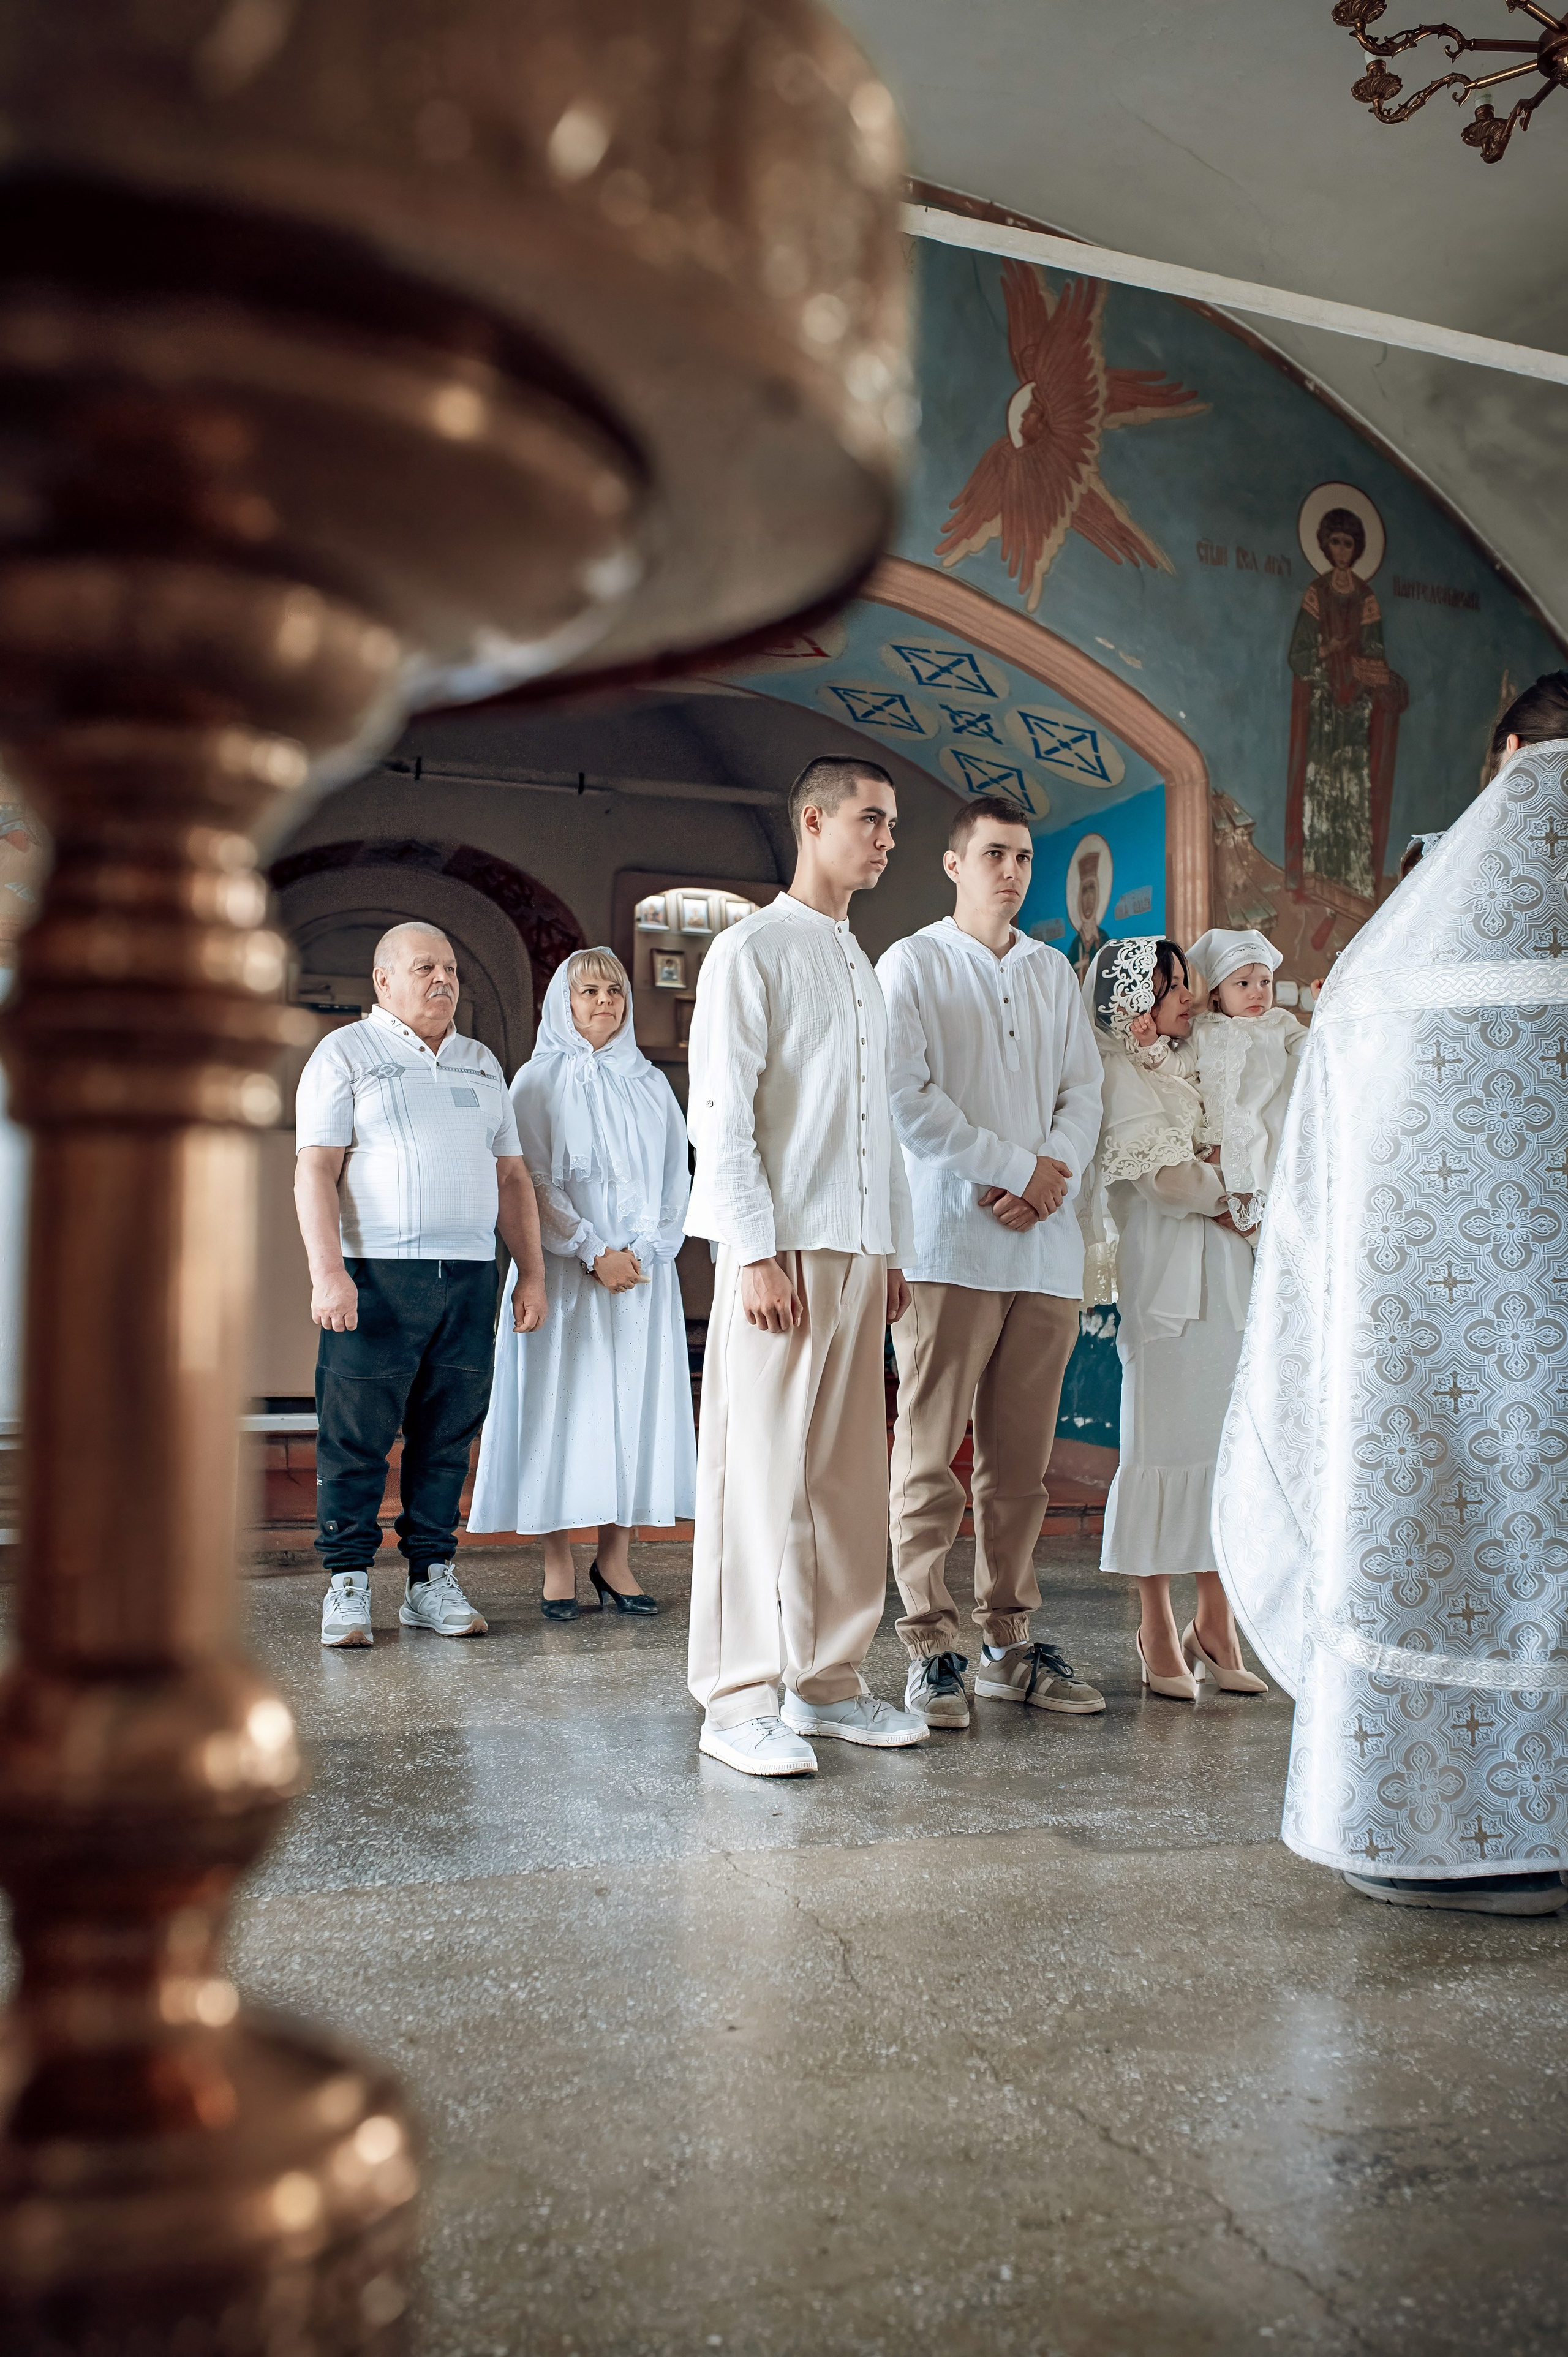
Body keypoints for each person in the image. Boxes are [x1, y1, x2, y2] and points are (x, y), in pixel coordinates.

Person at [1214, 671, 1568, 1915]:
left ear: (1506, 754)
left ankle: (1415, 1816)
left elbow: (1324, 1223)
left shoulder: (1385, 973)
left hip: (1436, 1379)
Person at [684, 756, 929, 1777]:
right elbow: (722, 1111)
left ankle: (827, 1684)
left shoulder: (858, 963)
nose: (884, 838)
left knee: (843, 1480)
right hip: (780, 1253)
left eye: (893, 824)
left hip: (858, 1251)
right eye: (870, 819)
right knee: (755, 1473)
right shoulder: (753, 949)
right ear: (815, 819)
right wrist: (750, 1248)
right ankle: (737, 1697)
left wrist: (896, 1249)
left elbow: (882, 1127)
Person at [878, 797, 1106, 1729]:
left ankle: (1010, 1643)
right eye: (994, 854)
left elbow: (1083, 1091)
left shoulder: (1053, 970)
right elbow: (906, 1100)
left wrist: (1053, 1178)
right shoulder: (914, 964)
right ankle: (931, 1646)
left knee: (1021, 1469)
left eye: (1023, 857)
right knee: (931, 1456)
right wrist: (1019, 1168)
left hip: (1044, 1251)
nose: (1011, 871)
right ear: (953, 864)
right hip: (947, 1244)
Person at [294, 922, 547, 1648]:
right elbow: (315, 1169)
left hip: (468, 1278)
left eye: (451, 967)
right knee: (357, 1439)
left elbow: (509, 1176)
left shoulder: (480, 1062)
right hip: (375, 1279)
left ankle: (430, 1579)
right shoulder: (344, 1053)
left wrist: (528, 1270)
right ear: (383, 980)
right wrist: (327, 1271)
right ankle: (346, 1584)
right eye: (424, 967)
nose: (443, 979)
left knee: (446, 1440)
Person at [467, 948, 695, 1617]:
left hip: (642, 1279)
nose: (604, 1001)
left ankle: (616, 1556)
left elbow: (675, 1176)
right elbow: (531, 1180)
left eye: (615, 991)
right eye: (588, 990)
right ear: (562, 1003)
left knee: (632, 1410)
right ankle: (558, 1558)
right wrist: (593, 1249)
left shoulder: (651, 1083)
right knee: (560, 1410)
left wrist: (646, 1249)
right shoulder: (536, 1081)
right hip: (565, 1275)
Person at [1081, 939, 1267, 1700]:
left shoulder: (1194, 1063)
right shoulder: (1116, 1073)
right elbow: (1164, 1178)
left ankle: (1215, 1623)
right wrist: (1238, 1192)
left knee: (1222, 1450)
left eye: (1187, 983)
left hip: (1227, 1276)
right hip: (1164, 1282)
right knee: (1161, 1445)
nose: (1187, 997)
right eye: (1169, 986)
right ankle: (1156, 1621)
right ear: (1130, 1000)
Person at [1286, 505, 1409, 906]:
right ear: (1325, 545)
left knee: (1354, 792)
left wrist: (1363, 669)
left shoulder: (1366, 597)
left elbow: (1375, 652)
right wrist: (1328, 649)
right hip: (1322, 710)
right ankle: (1319, 880)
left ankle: (1354, 883)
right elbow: (1299, 655)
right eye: (1335, 541)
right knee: (1321, 790)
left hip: (1356, 711)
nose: (1341, 550)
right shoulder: (1316, 594)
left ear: (1357, 550)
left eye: (1349, 543)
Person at [1186, 927, 1309, 1242]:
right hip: (1219, 1137)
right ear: (1216, 992)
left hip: (1268, 1128)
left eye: (1264, 983)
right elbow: (1181, 1067)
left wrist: (1327, 1007)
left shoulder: (1279, 1023)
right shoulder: (1201, 1030)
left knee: (1271, 1197)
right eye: (1243, 984)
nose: (1257, 992)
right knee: (1227, 1212)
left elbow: (1315, 1047)